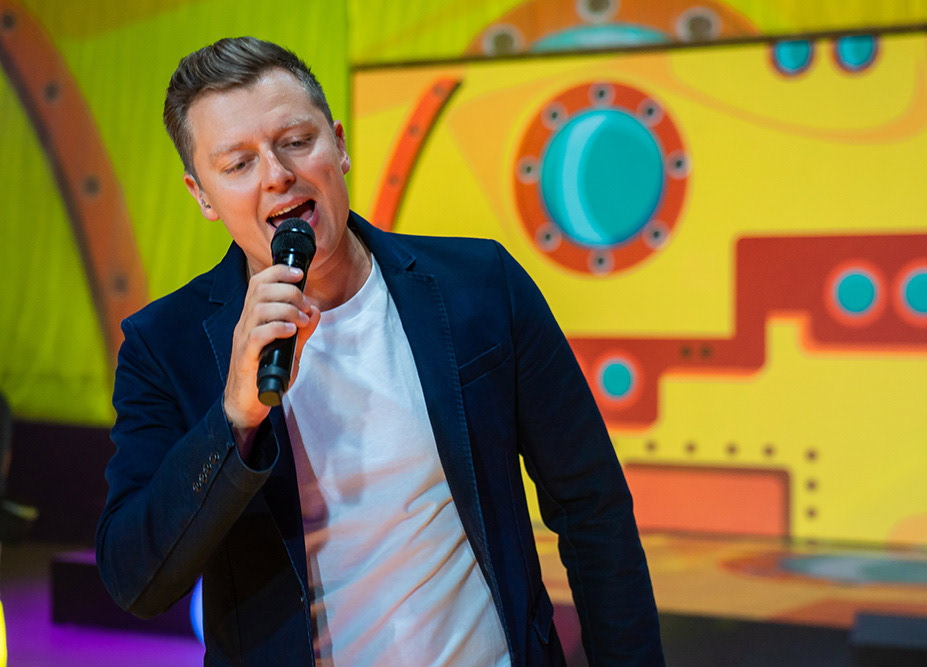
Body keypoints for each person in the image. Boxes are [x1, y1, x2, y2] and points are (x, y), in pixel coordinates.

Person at [96, 36, 663, 667]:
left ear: (338, 145)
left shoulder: (479, 286)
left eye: (295, 141)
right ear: (202, 194)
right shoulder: (163, 346)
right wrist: (234, 419)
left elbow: (592, 507)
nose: (278, 174)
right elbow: (136, 580)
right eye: (238, 164)